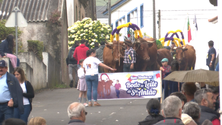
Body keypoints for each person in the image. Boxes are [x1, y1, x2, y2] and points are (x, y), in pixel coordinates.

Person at [0, 60, 23, 125]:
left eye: (2, 67)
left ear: (6, 68)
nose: (0, 69)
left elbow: (18, 91)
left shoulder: (11, 78)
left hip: (7, 106)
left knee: (8, 123)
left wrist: (13, 100)